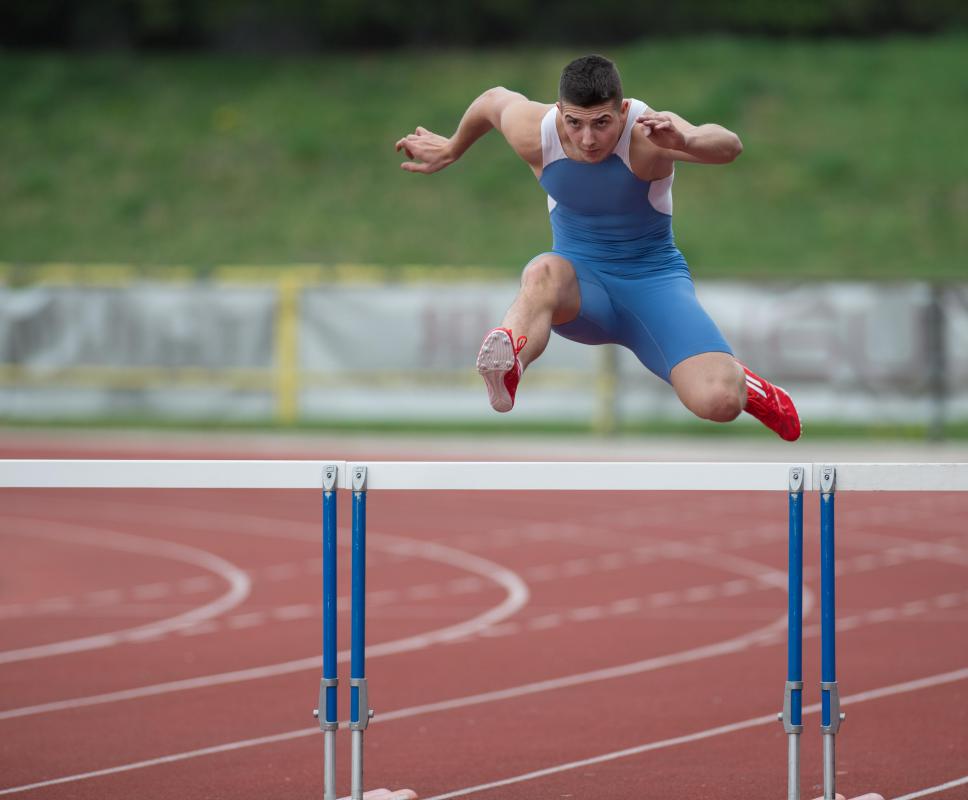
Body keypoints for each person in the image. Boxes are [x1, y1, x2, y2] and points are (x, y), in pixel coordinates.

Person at [396, 54, 800, 441]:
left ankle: (749, 386)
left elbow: (729, 145)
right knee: (543, 271)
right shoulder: (534, 131)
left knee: (719, 401)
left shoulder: (649, 132)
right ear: (559, 111)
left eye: (602, 123)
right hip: (581, 290)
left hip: (653, 287)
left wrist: (688, 139)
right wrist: (452, 148)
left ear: (622, 111)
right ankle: (509, 362)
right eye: (575, 123)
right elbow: (491, 101)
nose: (588, 139)